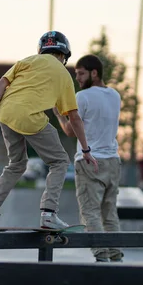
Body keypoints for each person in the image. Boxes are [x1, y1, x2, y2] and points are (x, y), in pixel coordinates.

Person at [0, 31, 98, 230]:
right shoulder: (64, 75)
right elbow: (74, 117)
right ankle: (49, 214)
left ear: (42, 50)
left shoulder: (27, 61)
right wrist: (85, 150)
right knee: (59, 161)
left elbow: (0, 85)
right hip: (30, 117)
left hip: (5, 113)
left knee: (16, 164)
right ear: (63, 54)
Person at [53, 54, 123, 262]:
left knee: (90, 212)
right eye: (76, 74)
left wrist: (58, 114)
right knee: (109, 214)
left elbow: (70, 130)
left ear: (95, 73)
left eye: (81, 74)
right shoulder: (115, 95)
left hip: (89, 161)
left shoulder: (81, 97)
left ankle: (101, 256)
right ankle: (116, 256)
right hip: (113, 161)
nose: (78, 79)